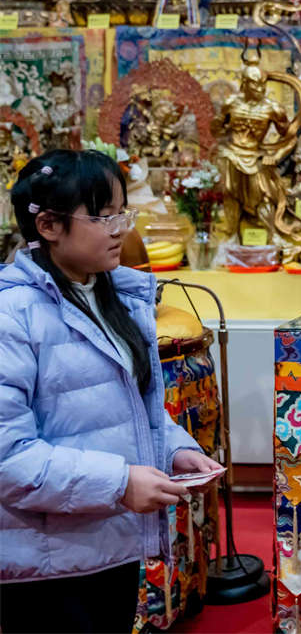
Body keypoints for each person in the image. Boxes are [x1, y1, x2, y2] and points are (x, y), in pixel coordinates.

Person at [0, 149, 222, 634]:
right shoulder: (11, 316)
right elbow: (8, 459)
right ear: (49, 225)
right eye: (104, 217)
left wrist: (175, 448)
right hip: (46, 560)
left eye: (124, 213)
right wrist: (120, 483)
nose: (121, 229)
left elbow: (129, 408)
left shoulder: (114, 295)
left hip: (109, 540)